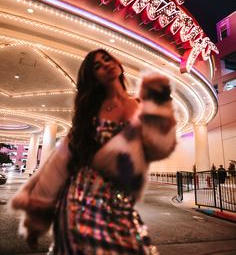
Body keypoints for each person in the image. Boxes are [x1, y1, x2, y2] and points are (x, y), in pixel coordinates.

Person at [10, 49, 177, 254]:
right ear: (93, 78)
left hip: (121, 203)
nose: (105, 65)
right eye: (97, 66)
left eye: (107, 59)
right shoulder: (88, 115)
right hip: (78, 202)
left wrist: (161, 102)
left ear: (117, 62)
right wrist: (36, 218)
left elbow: (159, 148)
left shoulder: (141, 106)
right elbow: (58, 164)